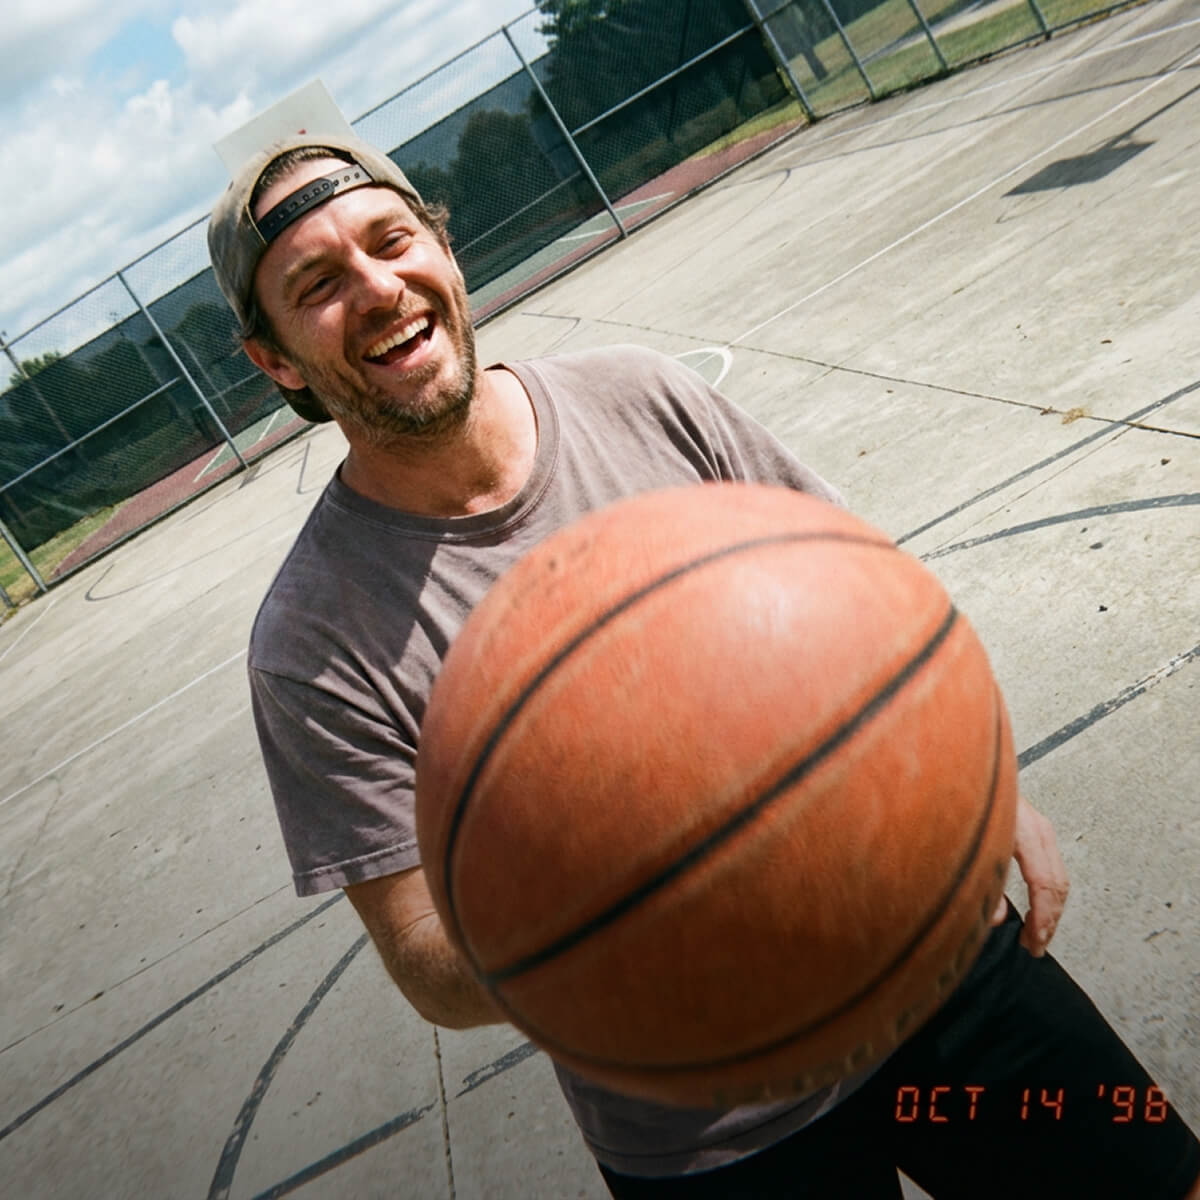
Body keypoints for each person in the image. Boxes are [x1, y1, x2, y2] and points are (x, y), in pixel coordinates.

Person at [207, 131, 1200, 1198]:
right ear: (276, 361)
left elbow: (871, 596)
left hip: (931, 952)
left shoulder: (639, 397)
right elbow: (426, 960)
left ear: (443, 252)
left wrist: (979, 778)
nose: (376, 289)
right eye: (317, 285)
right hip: (712, 1125)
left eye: (392, 240)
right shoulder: (311, 641)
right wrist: (643, 902)